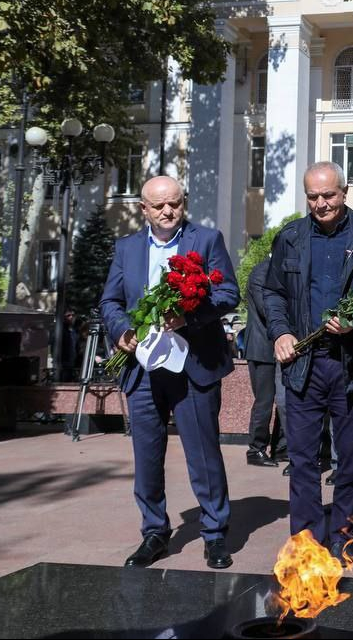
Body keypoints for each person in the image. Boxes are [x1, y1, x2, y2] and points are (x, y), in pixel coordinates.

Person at [263, 162, 353, 563]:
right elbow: (273, 293)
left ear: (344, 192)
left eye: (328, 195)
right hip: (304, 364)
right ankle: (306, 539)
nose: (321, 203)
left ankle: (343, 531)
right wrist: (281, 332)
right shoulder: (289, 237)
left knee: (351, 459)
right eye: (313, 197)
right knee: (304, 459)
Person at [99, 175, 240, 570]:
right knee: (146, 456)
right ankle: (155, 532)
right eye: (158, 205)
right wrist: (122, 329)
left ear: (184, 203)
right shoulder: (126, 248)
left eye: (174, 203)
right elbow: (110, 300)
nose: (167, 211)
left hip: (194, 366)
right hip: (142, 370)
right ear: (143, 209)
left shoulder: (207, 240)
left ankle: (214, 535)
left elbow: (228, 292)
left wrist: (189, 314)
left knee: (203, 455)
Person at [243, 258, 284, 467]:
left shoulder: (279, 269)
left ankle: (280, 448)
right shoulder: (262, 272)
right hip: (262, 348)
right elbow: (267, 310)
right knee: (264, 401)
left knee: (284, 401)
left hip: (281, 346)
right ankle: (256, 449)